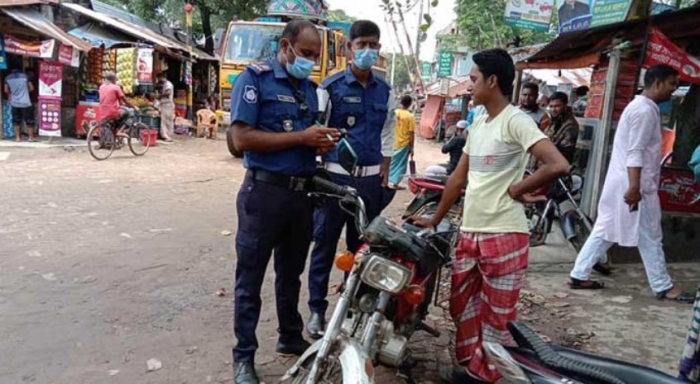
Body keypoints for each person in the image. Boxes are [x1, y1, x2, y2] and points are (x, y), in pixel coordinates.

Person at [412, 48, 569, 384]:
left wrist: (517, 188)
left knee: (497, 319)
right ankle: (475, 366)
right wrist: (435, 217)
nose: (469, 86)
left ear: (492, 81)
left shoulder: (517, 121)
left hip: (505, 234)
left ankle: (488, 375)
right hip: (472, 231)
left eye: (473, 79)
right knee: (461, 306)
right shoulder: (480, 121)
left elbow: (558, 164)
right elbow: (457, 178)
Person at [229, 19, 340, 384]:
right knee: (251, 277)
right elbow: (241, 138)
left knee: (291, 273)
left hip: (300, 195)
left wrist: (321, 142)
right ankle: (244, 356)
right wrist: (302, 139)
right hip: (263, 194)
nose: (309, 60)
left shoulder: (308, 90)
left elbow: (305, 139)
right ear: (285, 46)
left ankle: (289, 336)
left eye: (315, 55)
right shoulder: (255, 80)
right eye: (305, 53)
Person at [567, 65, 693, 303]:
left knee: (605, 230)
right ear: (657, 83)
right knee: (650, 235)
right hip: (634, 185)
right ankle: (663, 286)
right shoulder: (644, 111)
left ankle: (579, 273)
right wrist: (634, 188)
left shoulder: (641, 107)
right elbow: (635, 152)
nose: (673, 90)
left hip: (623, 182)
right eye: (671, 84)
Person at [306, 19, 394, 339]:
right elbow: (317, 133)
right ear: (349, 48)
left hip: (370, 184)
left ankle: (353, 309)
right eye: (362, 45)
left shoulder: (386, 90)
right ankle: (317, 311)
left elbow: (387, 134)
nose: (368, 51)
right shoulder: (329, 88)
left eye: (373, 45)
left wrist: (386, 172)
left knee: (362, 250)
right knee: (325, 246)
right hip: (335, 181)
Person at [388, 95, 416, 189]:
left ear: (401, 102)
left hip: (392, 141)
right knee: (400, 165)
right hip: (404, 143)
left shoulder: (395, 113)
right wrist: (412, 147)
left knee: (390, 161)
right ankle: (395, 183)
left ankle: (385, 179)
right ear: (410, 104)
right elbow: (411, 133)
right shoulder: (410, 116)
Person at [99, 71, 139, 136]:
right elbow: (125, 100)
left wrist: (121, 104)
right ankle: (120, 131)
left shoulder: (101, 87)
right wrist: (134, 107)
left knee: (120, 115)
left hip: (103, 112)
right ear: (113, 79)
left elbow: (112, 99)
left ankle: (115, 131)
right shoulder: (116, 87)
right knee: (130, 113)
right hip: (112, 112)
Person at [546, 91, 579, 163]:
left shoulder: (570, 126)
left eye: (557, 106)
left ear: (565, 105)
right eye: (551, 106)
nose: (553, 110)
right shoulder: (555, 121)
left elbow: (565, 152)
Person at [4, 68, 35, 142]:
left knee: (16, 121)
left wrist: (13, 93)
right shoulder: (25, 77)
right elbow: (32, 88)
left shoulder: (7, 78)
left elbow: (5, 90)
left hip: (15, 103)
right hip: (26, 102)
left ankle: (17, 138)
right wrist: (25, 92)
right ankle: (30, 138)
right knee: (29, 120)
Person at [156, 72, 175, 142]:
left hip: (167, 105)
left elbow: (168, 92)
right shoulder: (165, 84)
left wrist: (160, 96)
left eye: (158, 78)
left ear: (161, 77)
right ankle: (167, 135)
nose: (158, 80)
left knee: (165, 121)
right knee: (166, 121)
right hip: (166, 105)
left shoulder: (168, 84)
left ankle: (167, 136)